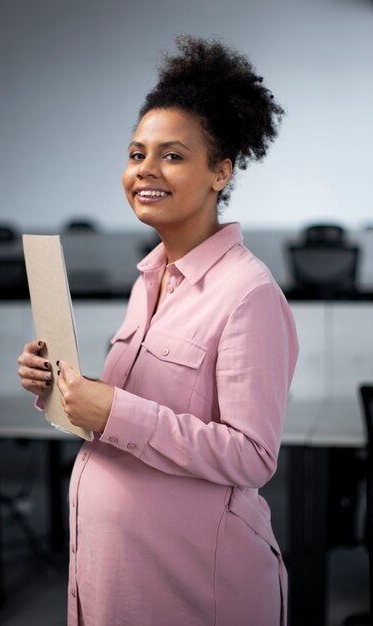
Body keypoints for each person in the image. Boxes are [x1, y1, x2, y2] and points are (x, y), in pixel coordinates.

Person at [18, 35, 299, 626]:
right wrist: (67, 387)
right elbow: (148, 410)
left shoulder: (248, 293)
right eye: (136, 152)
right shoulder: (150, 278)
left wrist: (113, 409)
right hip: (114, 580)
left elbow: (252, 456)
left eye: (172, 155)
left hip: (195, 588)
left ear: (220, 171)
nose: (145, 169)